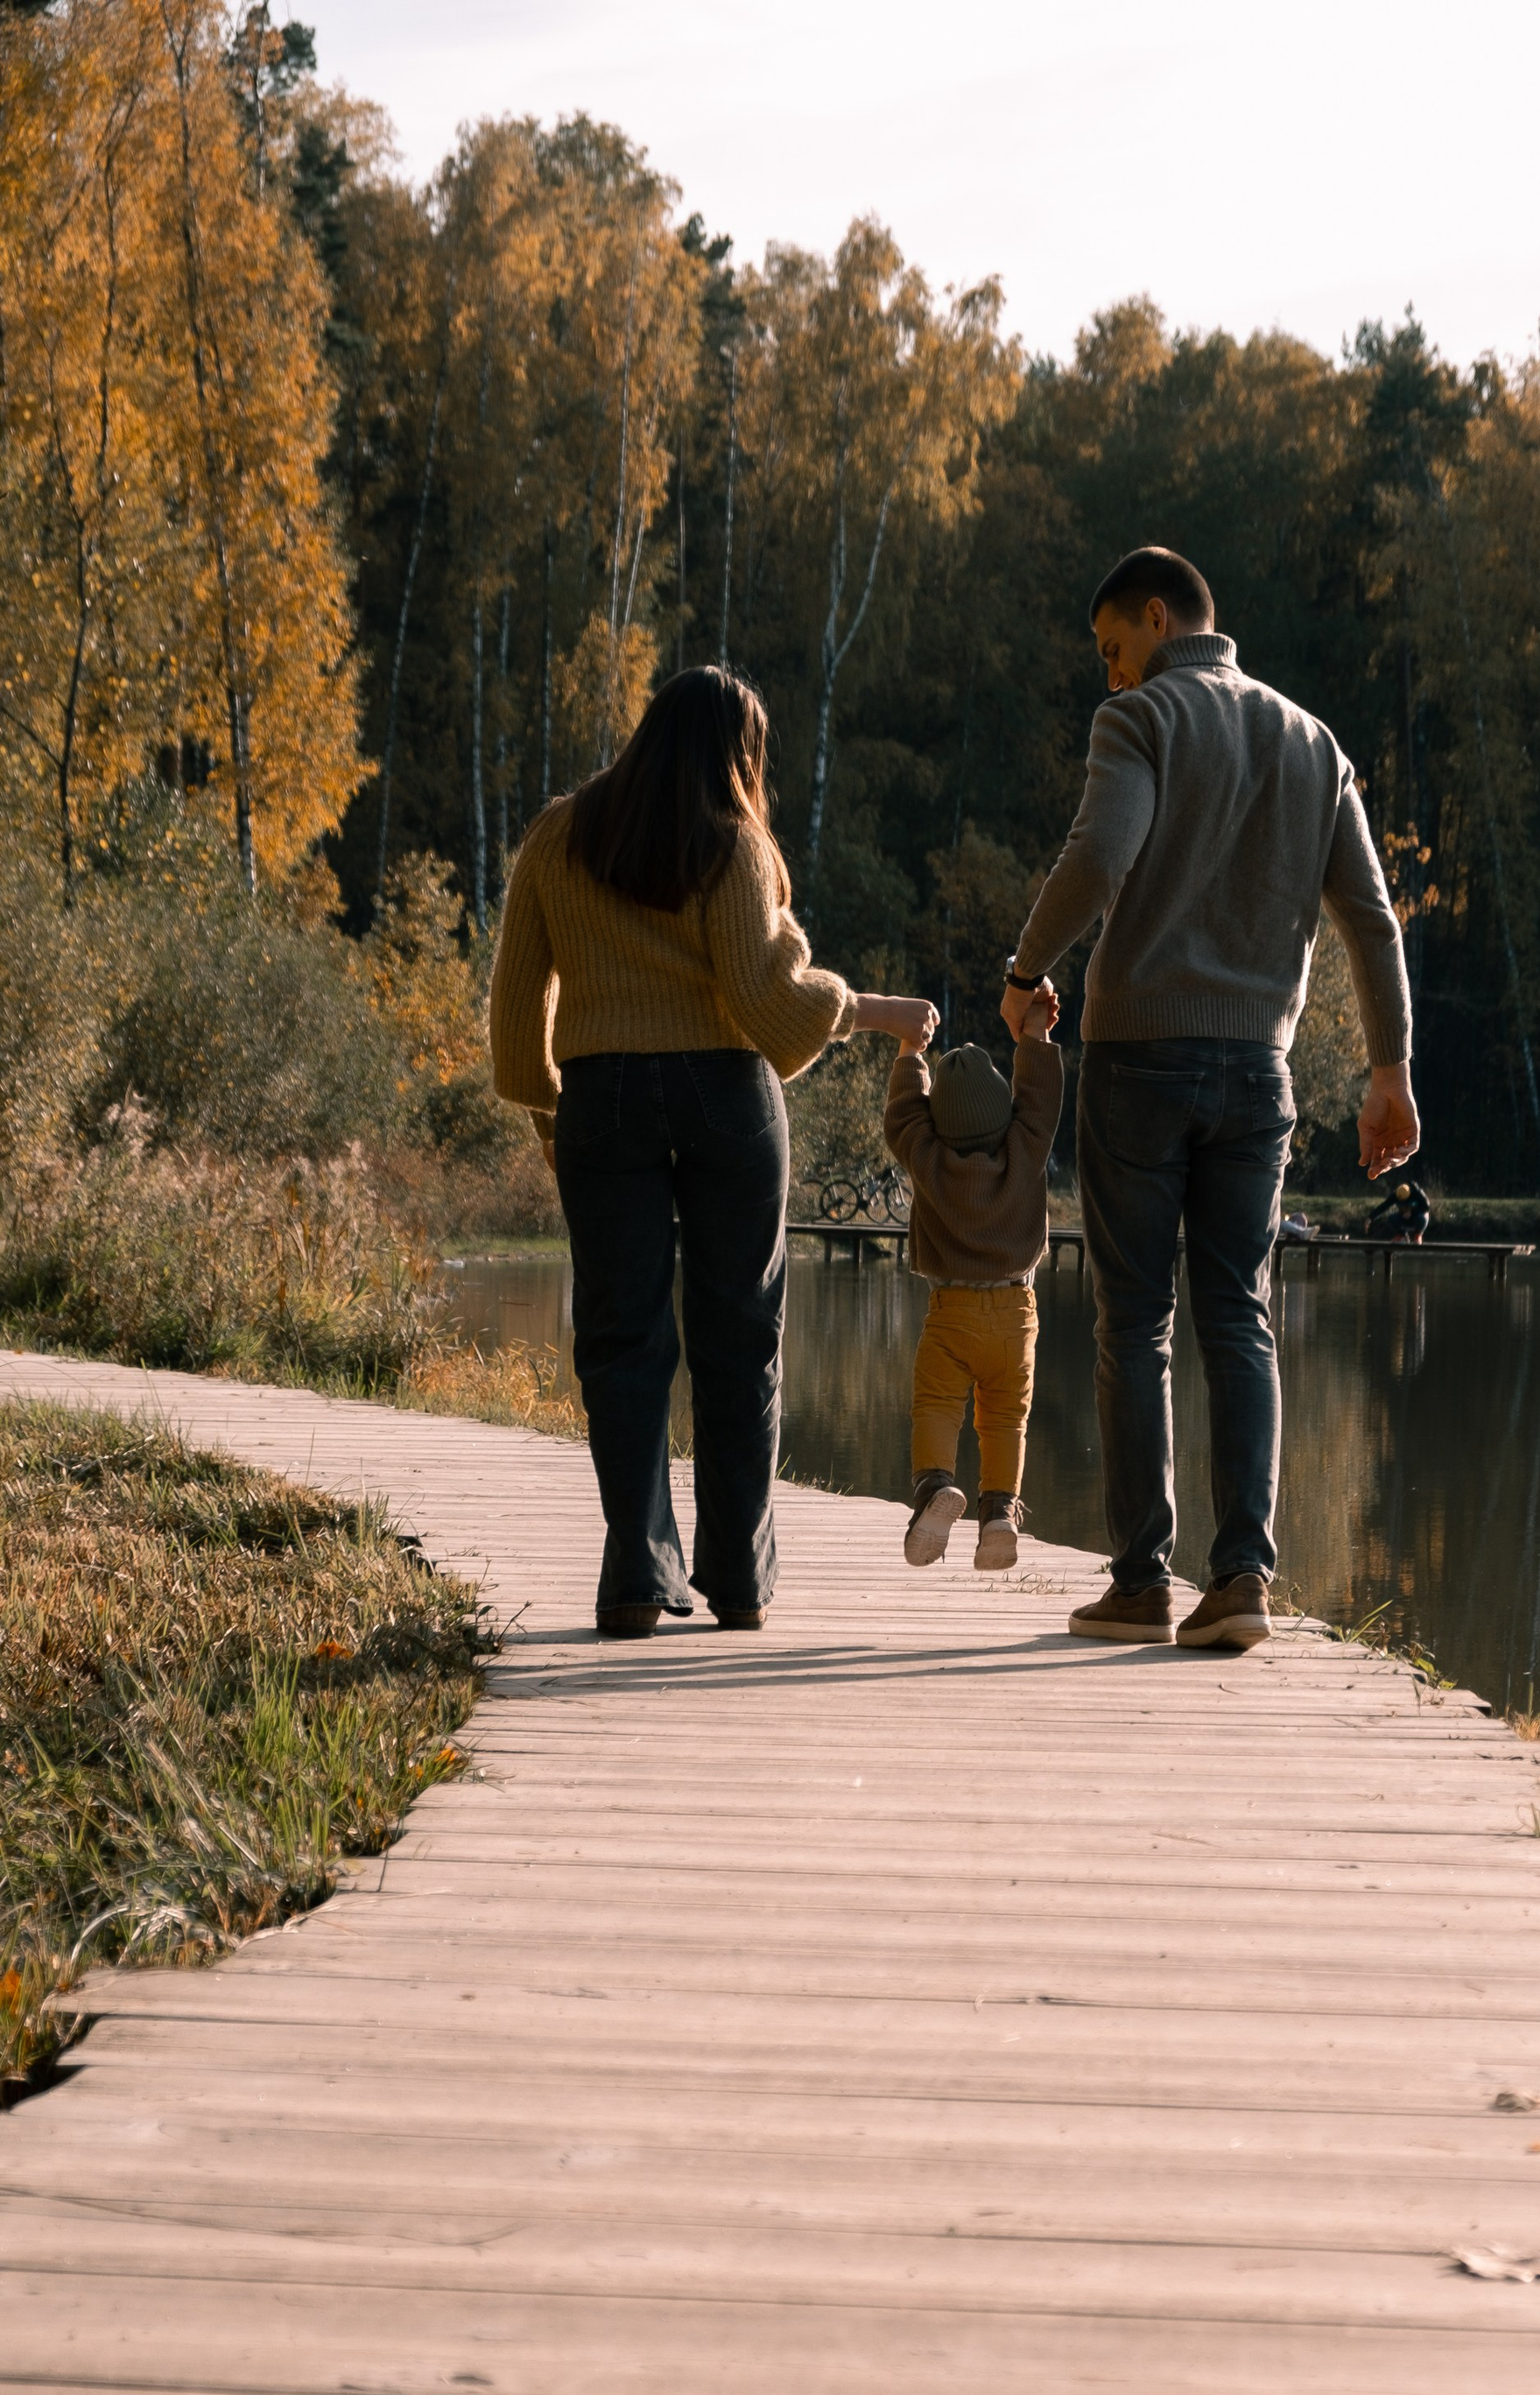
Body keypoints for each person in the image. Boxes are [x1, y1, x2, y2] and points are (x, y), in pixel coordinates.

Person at [1002, 546, 1419, 1651]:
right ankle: (1241, 1579)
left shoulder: (1141, 721)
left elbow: (1098, 855)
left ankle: (1140, 1579)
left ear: (1155, 618)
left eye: (1111, 650)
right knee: (1239, 1313)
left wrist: (1023, 969)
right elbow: (1370, 919)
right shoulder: (1309, 739)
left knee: (1134, 1322)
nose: (1109, 676)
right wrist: (1390, 1071)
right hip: (1256, 1075)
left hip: (1139, 1058)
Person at [489, 666, 933, 1638]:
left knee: (621, 1340)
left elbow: (519, 1007)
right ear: (735, 754)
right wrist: (869, 1009)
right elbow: (771, 1009)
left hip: (601, 1097)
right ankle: (736, 1580)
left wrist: (548, 1107)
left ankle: (637, 1577)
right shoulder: (731, 846)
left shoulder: (558, 837)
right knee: (740, 1340)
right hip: (727, 1096)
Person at [881, 990, 1065, 1571]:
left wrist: (912, 1050)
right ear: (1002, 1115)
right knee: (1006, 1415)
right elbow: (1041, 1100)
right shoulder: (1024, 1148)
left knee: (938, 1402)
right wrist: (1033, 1034)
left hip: (951, 1312)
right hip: (1015, 1311)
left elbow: (904, 1115)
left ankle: (936, 1487)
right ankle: (999, 1515)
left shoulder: (928, 1156)